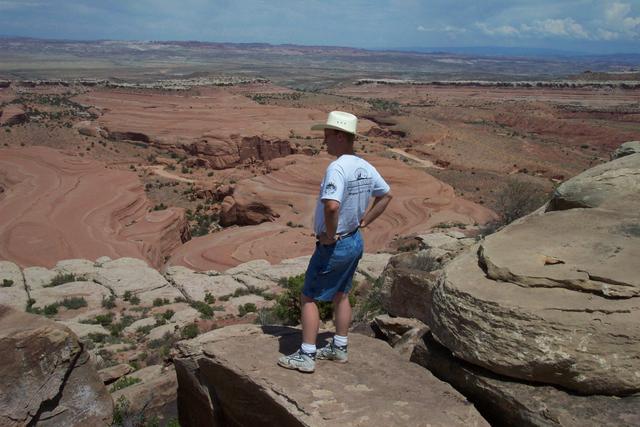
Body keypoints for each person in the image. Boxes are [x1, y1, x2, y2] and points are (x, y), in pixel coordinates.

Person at [278, 111, 392, 373]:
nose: (324, 142)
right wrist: (365, 221)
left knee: (309, 297)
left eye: (327, 136)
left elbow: (331, 206)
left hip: (336, 244)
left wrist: (330, 235)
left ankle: (306, 355)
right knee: (342, 294)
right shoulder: (364, 165)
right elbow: (387, 195)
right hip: (355, 240)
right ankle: (339, 348)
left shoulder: (338, 168)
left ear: (340, 136)